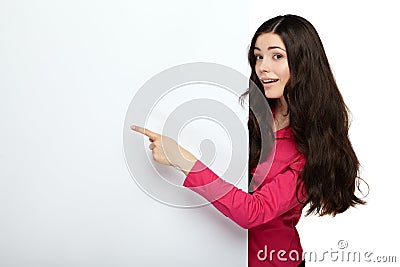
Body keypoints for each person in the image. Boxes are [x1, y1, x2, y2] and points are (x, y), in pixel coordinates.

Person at [131, 14, 366, 267]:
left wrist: (181, 158)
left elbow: (253, 212)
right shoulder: (254, 116)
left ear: (303, 64)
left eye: (277, 56)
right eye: (258, 56)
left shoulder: (312, 149)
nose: (263, 66)